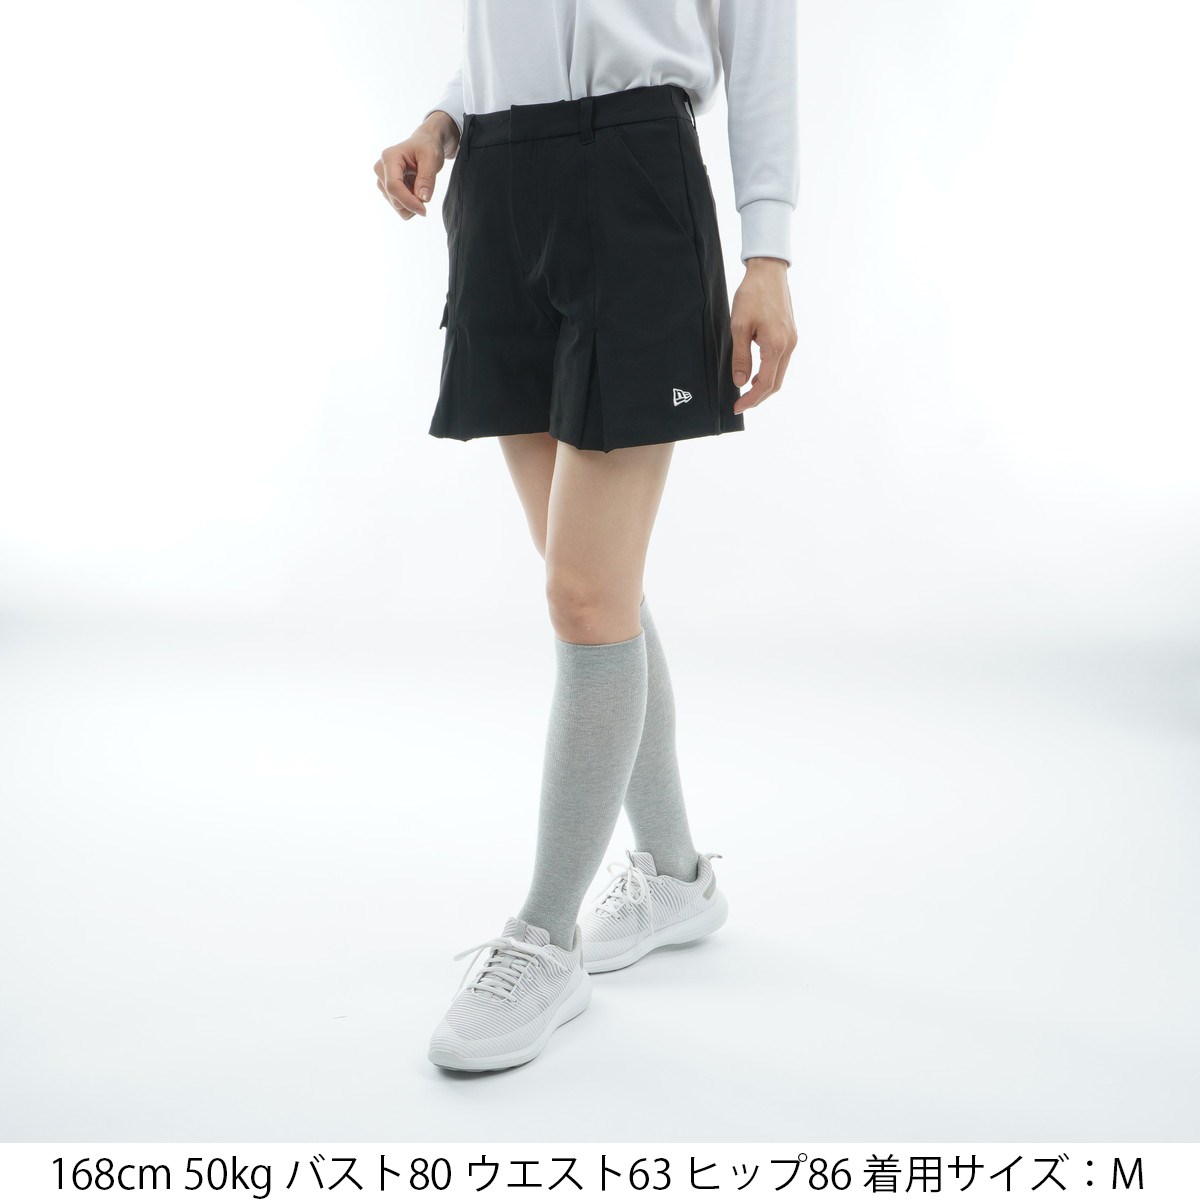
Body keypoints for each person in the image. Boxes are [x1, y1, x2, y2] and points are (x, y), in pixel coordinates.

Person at [373, 0, 797, 1072]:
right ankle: (676, 875)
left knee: (584, 595)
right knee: (591, 586)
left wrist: (770, 253)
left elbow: (759, 43)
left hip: (634, 176)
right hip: (496, 181)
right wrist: (440, 123)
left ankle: (544, 937)